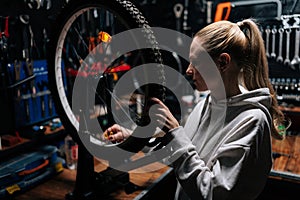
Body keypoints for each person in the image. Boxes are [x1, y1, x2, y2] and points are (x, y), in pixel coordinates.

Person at [103, 19, 285, 200]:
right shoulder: (206, 105)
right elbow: (181, 156)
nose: (189, 71)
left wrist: (175, 133)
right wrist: (135, 137)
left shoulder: (251, 121)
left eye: (195, 62)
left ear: (222, 62)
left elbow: (212, 193)